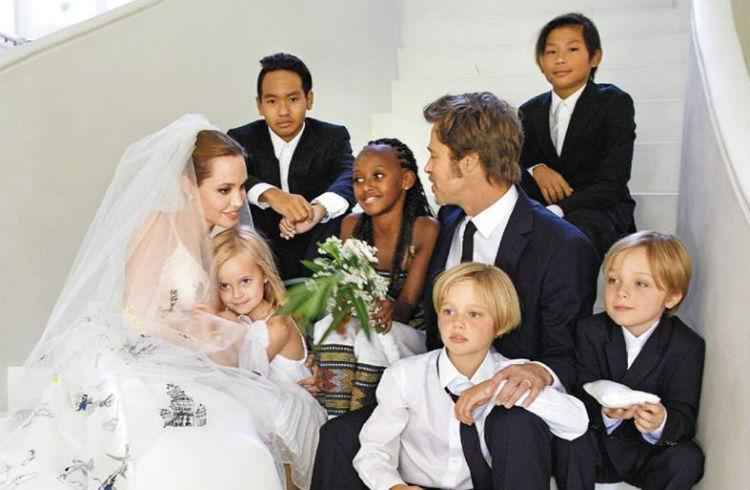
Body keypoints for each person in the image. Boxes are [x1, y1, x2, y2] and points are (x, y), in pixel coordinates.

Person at [0, 115, 323, 490]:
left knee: (252, 433)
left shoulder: (221, 245)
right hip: (145, 361)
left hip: (199, 368)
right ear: (188, 185)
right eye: (224, 190)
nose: (237, 200)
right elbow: (138, 316)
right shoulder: (158, 224)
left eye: (241, 187)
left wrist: (287, 366)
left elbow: (232, 319)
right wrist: (200, 337)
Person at [310, 92, 598, 490]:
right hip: (434, 395)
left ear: (470, 162)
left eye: (434, 156)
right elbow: (425, 325)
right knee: (338, 437)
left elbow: (570, 357)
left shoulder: (561, 246)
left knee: (513, 425)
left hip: (505, 407)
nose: (428, 167)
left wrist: (533, 372)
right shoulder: (446, 221)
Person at [354, 263, 589, 490]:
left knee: (518, 421)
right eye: (448, 311)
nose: (457, 323)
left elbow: (576, 423)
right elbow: (373, 451)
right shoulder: (404, 376)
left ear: (499, 324)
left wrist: (493, 387)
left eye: (474, 314)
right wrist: (394, 487)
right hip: (417, 486)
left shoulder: (514, 373)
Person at [561, 231, 705, 489]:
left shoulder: (686, 345)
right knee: (570, 441)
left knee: (687, 458)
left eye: (640, 283)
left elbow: (684, 414)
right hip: (598, 446)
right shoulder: (590, 331)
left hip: (646, 454)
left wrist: (659, 421)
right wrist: (607, 413)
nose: (622, 292)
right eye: (613, 280)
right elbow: (578, 391)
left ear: (672, 296)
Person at [312, 138, 439, 416]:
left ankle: (364, 417)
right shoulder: (351, 225)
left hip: (407, 332)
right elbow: (347, 287)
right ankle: (335, 419)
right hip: (364, 322)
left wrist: (388, 310)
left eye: (378, 176)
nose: (366, 186)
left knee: (370, 339)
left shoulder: (424, 229)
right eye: (358, 179)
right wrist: (341, 304)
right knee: (331, 327)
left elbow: (407, 306)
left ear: (406, 180)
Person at [228, 52, 356, 281]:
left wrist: (318, 210)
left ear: (309, 99)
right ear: (259, 105)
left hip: (319, 260)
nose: (283, 111)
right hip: (258, 262)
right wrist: (272, 195)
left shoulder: (333, 136)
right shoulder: (240, 139)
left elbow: (349, 176)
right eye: (272, 101)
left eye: (293, 99)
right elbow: (232, 179)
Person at [518, 12, 636, 259]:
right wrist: (537, 168)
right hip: (545, 211)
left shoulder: (613, 102)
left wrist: (558, 209)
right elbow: (520, 159)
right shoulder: (529, 111)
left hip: (601, 211)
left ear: (595, 57)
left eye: (572, 49)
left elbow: (612, 183)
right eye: (551, 51)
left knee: (566, 238)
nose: (560, 59)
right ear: (540, 61)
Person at [212, 227, 323, 394]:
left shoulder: (278, 324)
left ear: (264, 274)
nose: (236, 294)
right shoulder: (235, 316)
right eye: (224, 286)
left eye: (245, 281)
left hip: (281, 399)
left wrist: (228, 321)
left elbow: (245, 377)